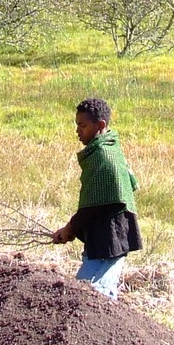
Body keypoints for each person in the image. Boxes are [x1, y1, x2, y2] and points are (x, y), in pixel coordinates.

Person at [49, 97, 142, 299]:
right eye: (77, 125)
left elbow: (93, 206)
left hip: (111, 239)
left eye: (82, 126)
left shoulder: (104, 155)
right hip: (100, 236)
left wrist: (70, 228)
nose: (78, 131)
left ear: (100, 125)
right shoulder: (108, 148)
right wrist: (73, 230)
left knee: (92, 294)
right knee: (94, 293)